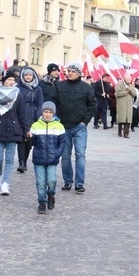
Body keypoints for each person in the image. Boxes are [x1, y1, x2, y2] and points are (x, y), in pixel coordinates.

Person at [0, 70, 31, 195]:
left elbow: (22, 115)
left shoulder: (18, 96)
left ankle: (6, 182)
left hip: (13, 131)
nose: (11, 82)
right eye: (9, 79)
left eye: (14, 80)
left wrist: (26, 130)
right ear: (3, 80)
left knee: (9, 159)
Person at [54, 63, 97, 193]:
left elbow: (92, 105)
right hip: (63, 126)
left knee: (80, 154)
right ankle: (68, 181)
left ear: (79, 73)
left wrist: (85, 121)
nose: (70, 73)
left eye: (73, 71)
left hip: (79, 126)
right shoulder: (59, 85)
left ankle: (79, 183)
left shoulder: (86, 87)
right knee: (65, 156)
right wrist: (56, 119)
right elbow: (53, 102)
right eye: (69, 71)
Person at [29, 101, 66, 214]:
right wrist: (30, 138)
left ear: (53, 113)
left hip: (52, 158)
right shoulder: (35, 125)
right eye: (45, 112)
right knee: (40, 182)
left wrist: (57, 154)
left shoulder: (59, 126)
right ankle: (41, 202)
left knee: (51, 180)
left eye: (50, 112)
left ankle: (51, 195)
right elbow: (32, 143)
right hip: (39, 158)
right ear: (42, 112)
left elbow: (62, 143)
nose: (48, 114)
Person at [16, 67, 43, 173]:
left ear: (33, 76)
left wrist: (37, 115)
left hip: (32, 114)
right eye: (26, 75)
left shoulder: (38, 88)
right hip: (21, 114)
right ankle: (21, 162)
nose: (28, 77)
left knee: (29, 140)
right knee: (21, 139)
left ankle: (25, 160)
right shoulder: (18, 87)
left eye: (30, 75)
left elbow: (40, 103)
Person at [115, 75, 137, 139]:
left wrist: (130, 91)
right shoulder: (120, 85)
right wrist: (126, 91)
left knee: (128, 120)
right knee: (121, 119)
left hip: (129, 105)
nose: (130, 80)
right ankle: (119, 131)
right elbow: (118, 94)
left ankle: (126, 134)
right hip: (122, 105)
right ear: (125, 79)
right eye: (129, 79)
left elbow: (134, 94)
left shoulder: (131, 86)